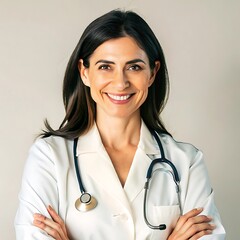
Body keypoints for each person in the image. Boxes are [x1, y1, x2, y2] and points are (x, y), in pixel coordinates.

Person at [15, 9, 226, 240]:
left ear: (152, 73)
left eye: (134, 67)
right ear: (84, 72)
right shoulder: (49, 157)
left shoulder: (186, 162)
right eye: (105, 66)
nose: (121, 82)